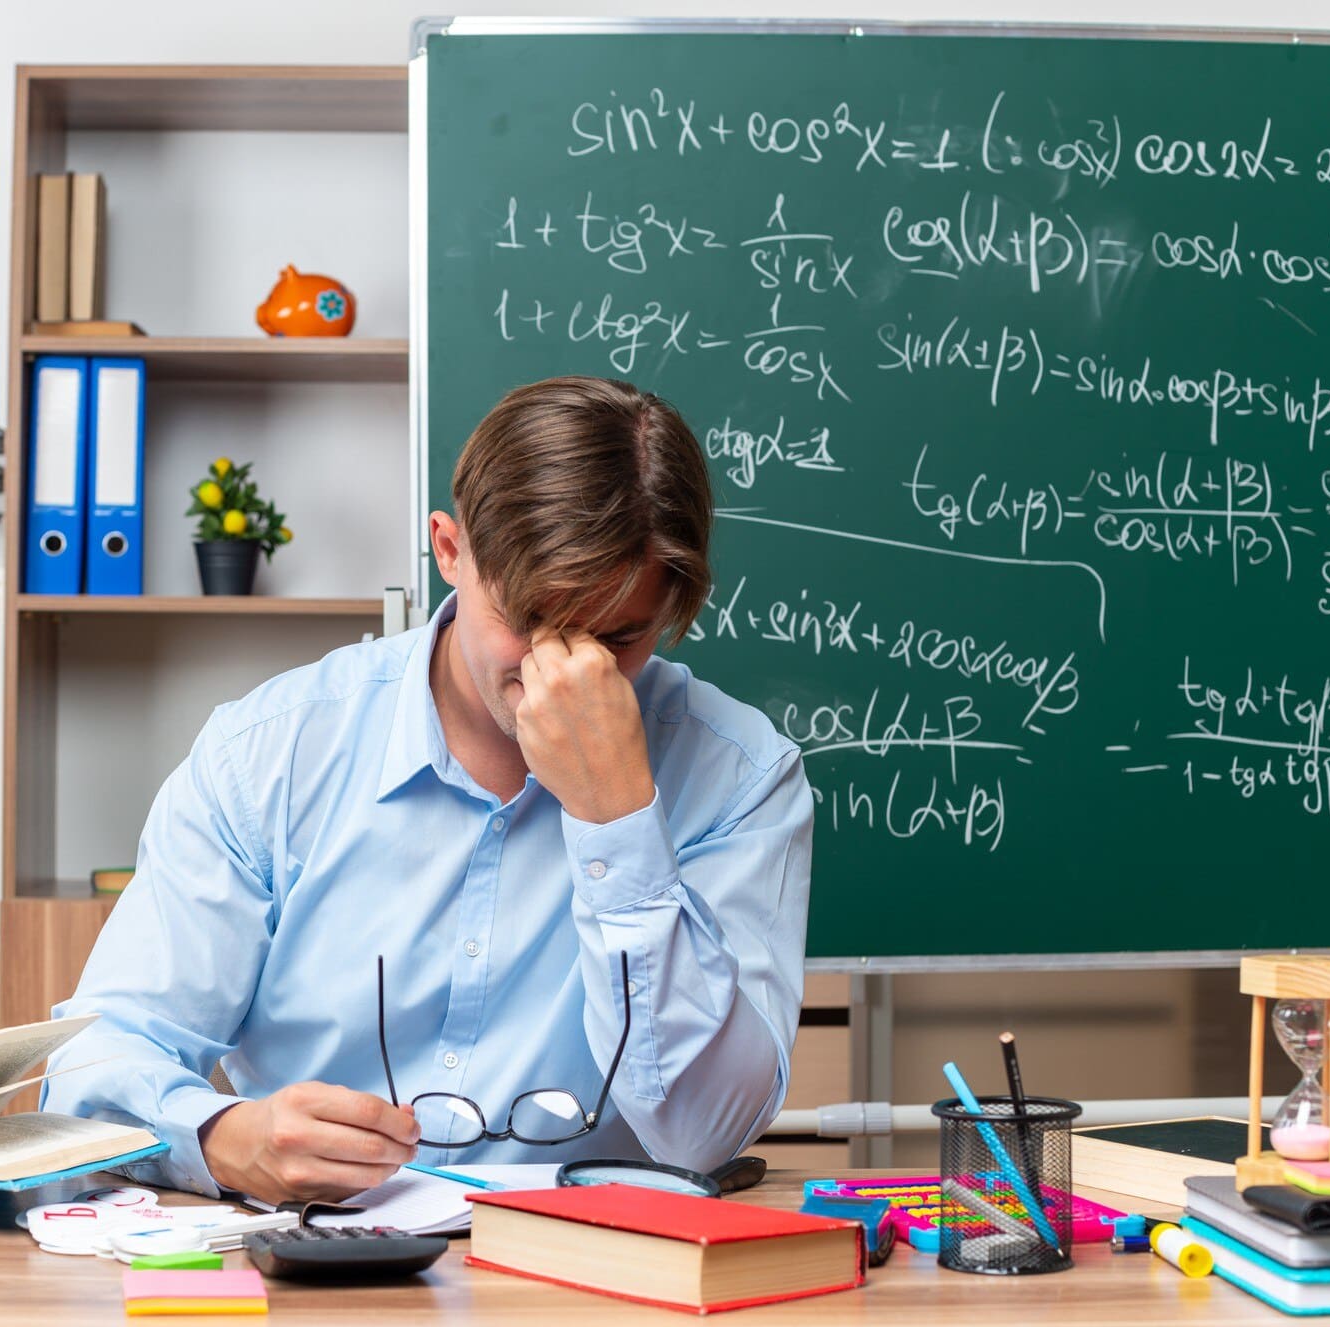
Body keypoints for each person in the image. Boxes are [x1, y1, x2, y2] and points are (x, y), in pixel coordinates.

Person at [42, 375, 813, 1203]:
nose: (565, 672)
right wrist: (225, 1139)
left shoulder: (740, 776)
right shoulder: (269, 753)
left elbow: (700, 1133)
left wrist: (617, 816)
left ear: (672, 608)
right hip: (316, 1270)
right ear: (450, 551)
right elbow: (94, 1066)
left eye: (618, 636)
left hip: (596, 1275)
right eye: (528, 621)